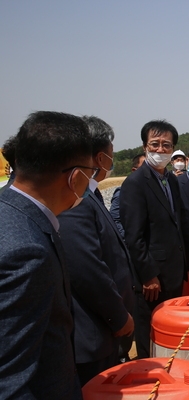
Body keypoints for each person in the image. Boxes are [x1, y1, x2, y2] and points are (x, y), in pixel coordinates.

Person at [0, 111, 94, 399]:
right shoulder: (26, 251)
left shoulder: (10, 211)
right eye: (90, 174)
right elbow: (9, 381)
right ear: (76, 177)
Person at [120, 120, 189, 358]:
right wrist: (148, 274)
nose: (160, 150)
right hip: (153, 277)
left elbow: (181, 223)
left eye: (166, 145)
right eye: (155, 144)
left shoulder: (171, 180)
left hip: (173, 269)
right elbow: (134, 235)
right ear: (144, 146)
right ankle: (148, 370)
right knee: (149, 328)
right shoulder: (135, 184)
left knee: (170, 326)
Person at [57, 116, 137, 385]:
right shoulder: (75, 199)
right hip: (93, 333)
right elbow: (86, 269)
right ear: (101, 158)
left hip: (104, 328)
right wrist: (118, 318)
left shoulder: (90, 193)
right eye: (111, 155)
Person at [110, 153, 145, 238]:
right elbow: (115, 220)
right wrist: (129, 240)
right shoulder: (122, 193)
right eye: (145, 166)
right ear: (134, 170)